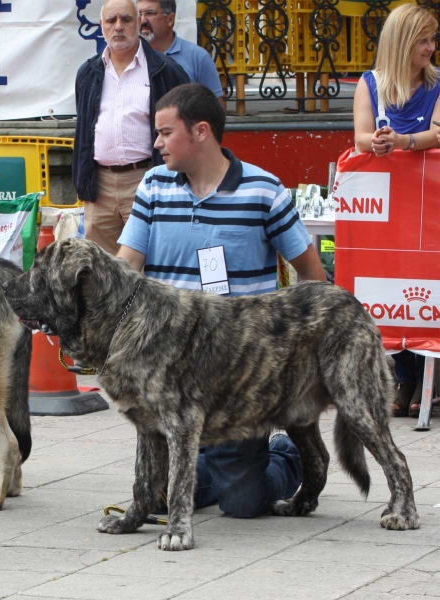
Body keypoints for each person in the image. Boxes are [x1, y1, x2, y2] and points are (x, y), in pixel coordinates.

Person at [116, 82, 327, 519]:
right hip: (169, 372)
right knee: (159, 496)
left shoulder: (263, 191)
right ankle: (207, 466)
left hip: (236, 376)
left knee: (244, 505)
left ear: (201, 132)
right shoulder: (154, 186)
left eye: (164, 132)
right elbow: (124, 271)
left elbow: (312, 278)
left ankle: (285, 450)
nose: (155, 144)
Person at [353, 4, 440, 418]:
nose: (431, 47)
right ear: (403, 43)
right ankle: (403, 377)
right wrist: (379, 142)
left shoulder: (439, 84)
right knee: (394, 282)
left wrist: (401, 142)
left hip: (430, 203)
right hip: (389, 208)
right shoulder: (370, 84)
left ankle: (429, 377)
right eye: (424, 40)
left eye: (432, 39)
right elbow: (360, 136)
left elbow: (439, 134)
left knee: (429, 280)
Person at [72, 0, 189, 256]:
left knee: (153, 262)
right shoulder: (88, 72)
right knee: (102, 272)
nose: (118, 27)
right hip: (99, 186)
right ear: (101, 26)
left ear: (138, 24)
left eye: (126, 20)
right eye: (111, 21)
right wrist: (83, 182)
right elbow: (84, 132)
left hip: (147, 178)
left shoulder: (166, 71)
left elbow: (185, 128)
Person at [138, 0, 223, 100]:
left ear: (170, 19)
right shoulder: (130, 56)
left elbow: (215, 110)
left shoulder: (198, 57)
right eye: (139, 14)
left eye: (150, 13)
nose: (143, 20)